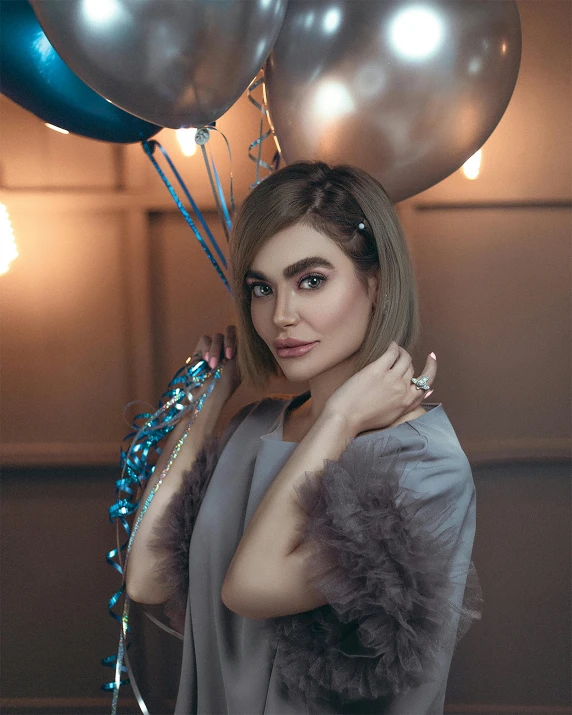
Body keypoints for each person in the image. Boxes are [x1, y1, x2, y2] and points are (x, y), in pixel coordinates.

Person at [125, 161, 482, 714]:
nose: (280, 316)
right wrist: (204, 413)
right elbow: (145, 580)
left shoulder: (423, 467)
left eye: (310, 280)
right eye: (261, 289)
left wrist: (338, 420)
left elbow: (250, 589)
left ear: (377, 280)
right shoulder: (250, 428)